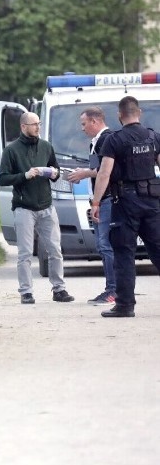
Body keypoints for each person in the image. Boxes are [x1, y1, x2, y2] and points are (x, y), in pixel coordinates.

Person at [90, 95, 160, 318]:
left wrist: (96, 201)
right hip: (152, 202)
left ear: (120, 116)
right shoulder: (153, 137)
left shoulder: (115, 140)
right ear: (139, 113)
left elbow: (104, 173)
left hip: (125, 203)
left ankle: (124, 306)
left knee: (124, 254)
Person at [0, 111, 75, 304]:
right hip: (24, 207)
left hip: (47, 206)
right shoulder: (11, 150)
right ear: (24, 127)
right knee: (24, 253)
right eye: (34, 124)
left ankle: (59, 289)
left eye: (39, 123)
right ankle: (26, 292)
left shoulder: (46, 147)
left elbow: (56, 172)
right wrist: (25, 175)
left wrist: (54, 173)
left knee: (55, 250)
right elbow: (2, 178)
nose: (38, 127)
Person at [67, 106, 116, 304]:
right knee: (102, 245)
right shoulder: (96, 142)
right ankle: (112, 288)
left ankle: (113, 290)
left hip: (107, 200)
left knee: (106, 245)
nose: (82, 128)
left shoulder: (107, 139)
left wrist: (84, 173)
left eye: (84, 123)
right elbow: (98, 169)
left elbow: (108, 171)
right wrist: (85, 171)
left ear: (94, 122)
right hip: (99, 200)